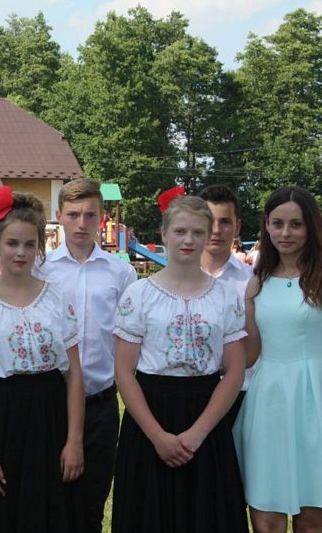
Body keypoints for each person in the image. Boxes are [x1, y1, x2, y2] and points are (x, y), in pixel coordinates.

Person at [112, 194, 248, 533]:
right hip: (150, 418)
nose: (188, 240)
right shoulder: (139, 295)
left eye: (198, 232)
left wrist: (199, 433)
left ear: (207, 235)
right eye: (180, 231)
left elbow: (234, 370)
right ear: (164, 234)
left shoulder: (225, 296)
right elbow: (124, 373)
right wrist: (158, 436)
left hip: (206, 418)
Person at [0, 186, 85, 533]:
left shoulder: (57, 297)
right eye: (12, 243)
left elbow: (74, 374)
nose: (20, 252)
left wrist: (74, 440)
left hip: (51, 414)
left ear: (40, 247)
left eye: (30, 244)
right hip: (3, 417)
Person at [37, 178, 136, 533]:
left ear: (101, 218)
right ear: (59, 216)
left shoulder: (121, 273)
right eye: (73, 215)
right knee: (50, 504)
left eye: (90, 215)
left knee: (92, 503)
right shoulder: (41, 270)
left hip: (100, 402)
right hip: (51, 400)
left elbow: (128, 337)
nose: (81, 224)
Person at [234, 186, 322, 533]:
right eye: (278, 223)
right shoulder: (257, 283)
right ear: (267, 226)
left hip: (316, 402)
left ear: (310, 227)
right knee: (266, 517)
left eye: (296, 224)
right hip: (268, 401)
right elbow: (251, 353)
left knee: (312, 516)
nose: (286, 233)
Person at [198, 184, 254, 421]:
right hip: (192, 393)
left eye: (225, 222)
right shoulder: (176, 281)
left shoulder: (252, 281)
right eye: (209, 221)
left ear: (237, 226)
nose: (216, 230)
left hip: (242, 396)